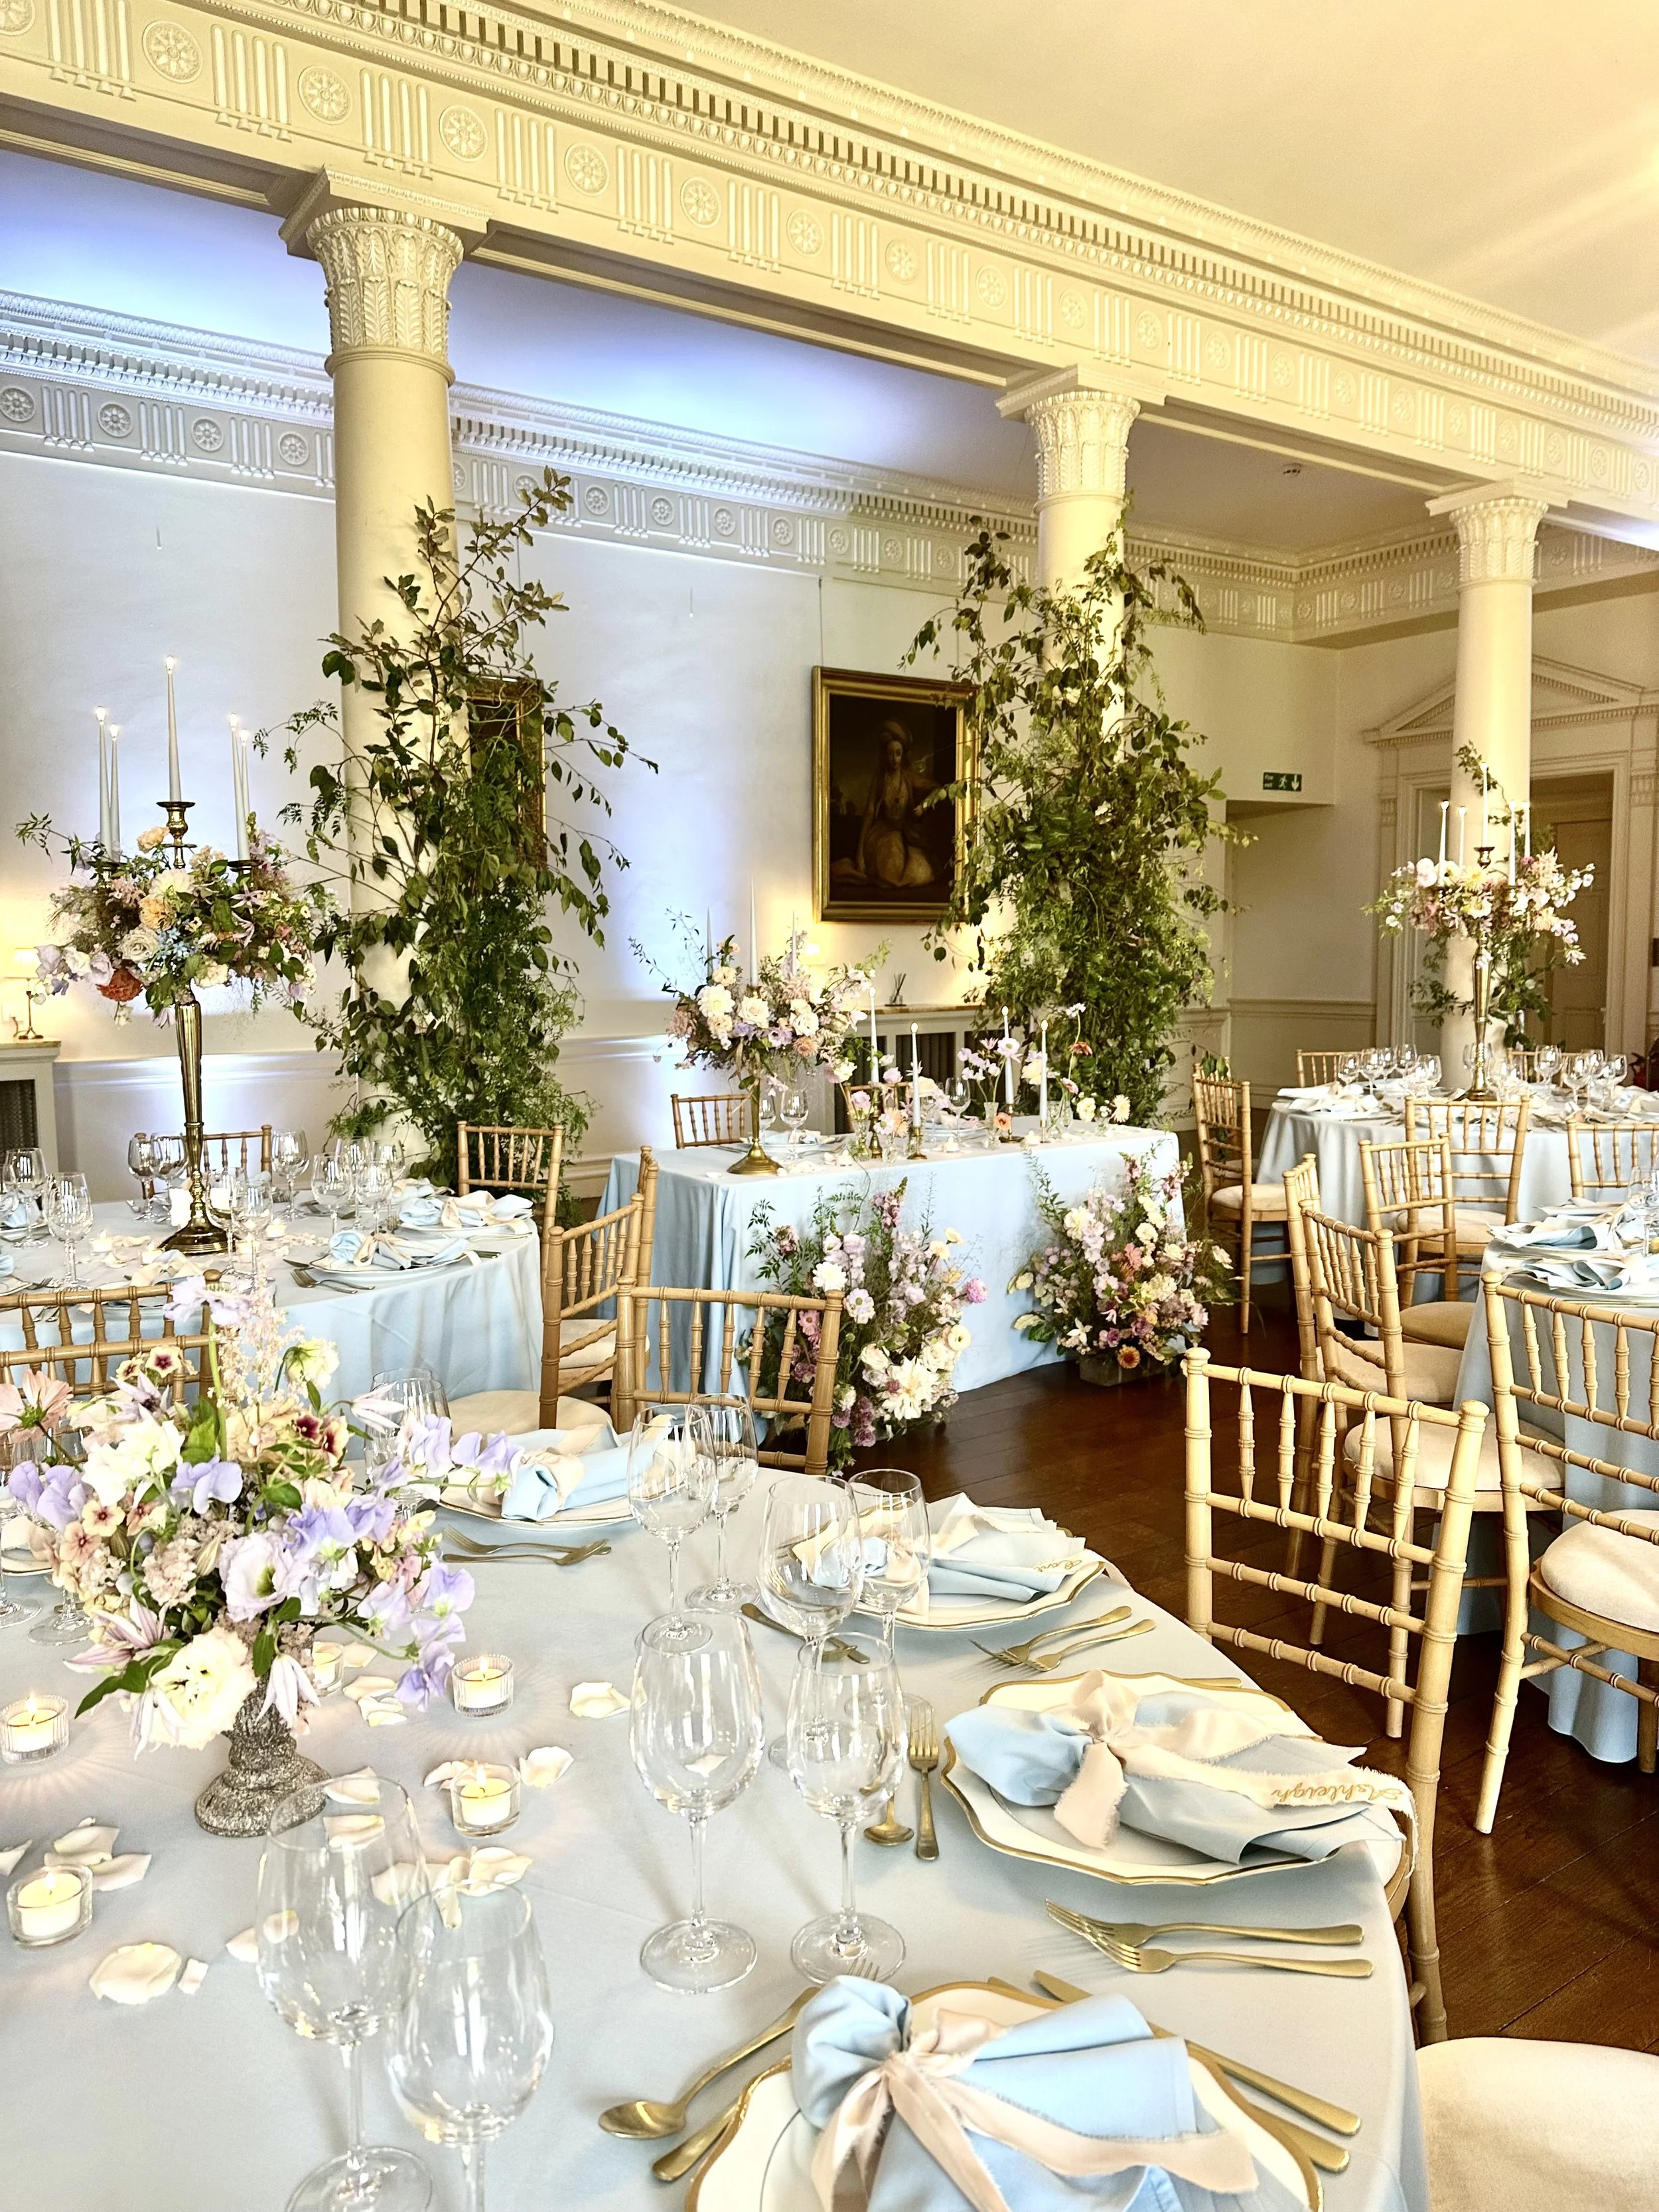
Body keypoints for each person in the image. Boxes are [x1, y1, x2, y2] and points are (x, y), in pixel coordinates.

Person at [857, 723, 939, 889]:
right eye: (890, 753)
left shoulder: (909, 777)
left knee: (921, 872)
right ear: (885, 755)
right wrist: (860, 852)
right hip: (883, 834)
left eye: (898, 754)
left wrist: (924, 806)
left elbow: (938, 789)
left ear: (903, 755)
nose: (894, 759)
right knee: (890, 870)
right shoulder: (880, 779)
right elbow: (870, 812)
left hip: (906, 833)